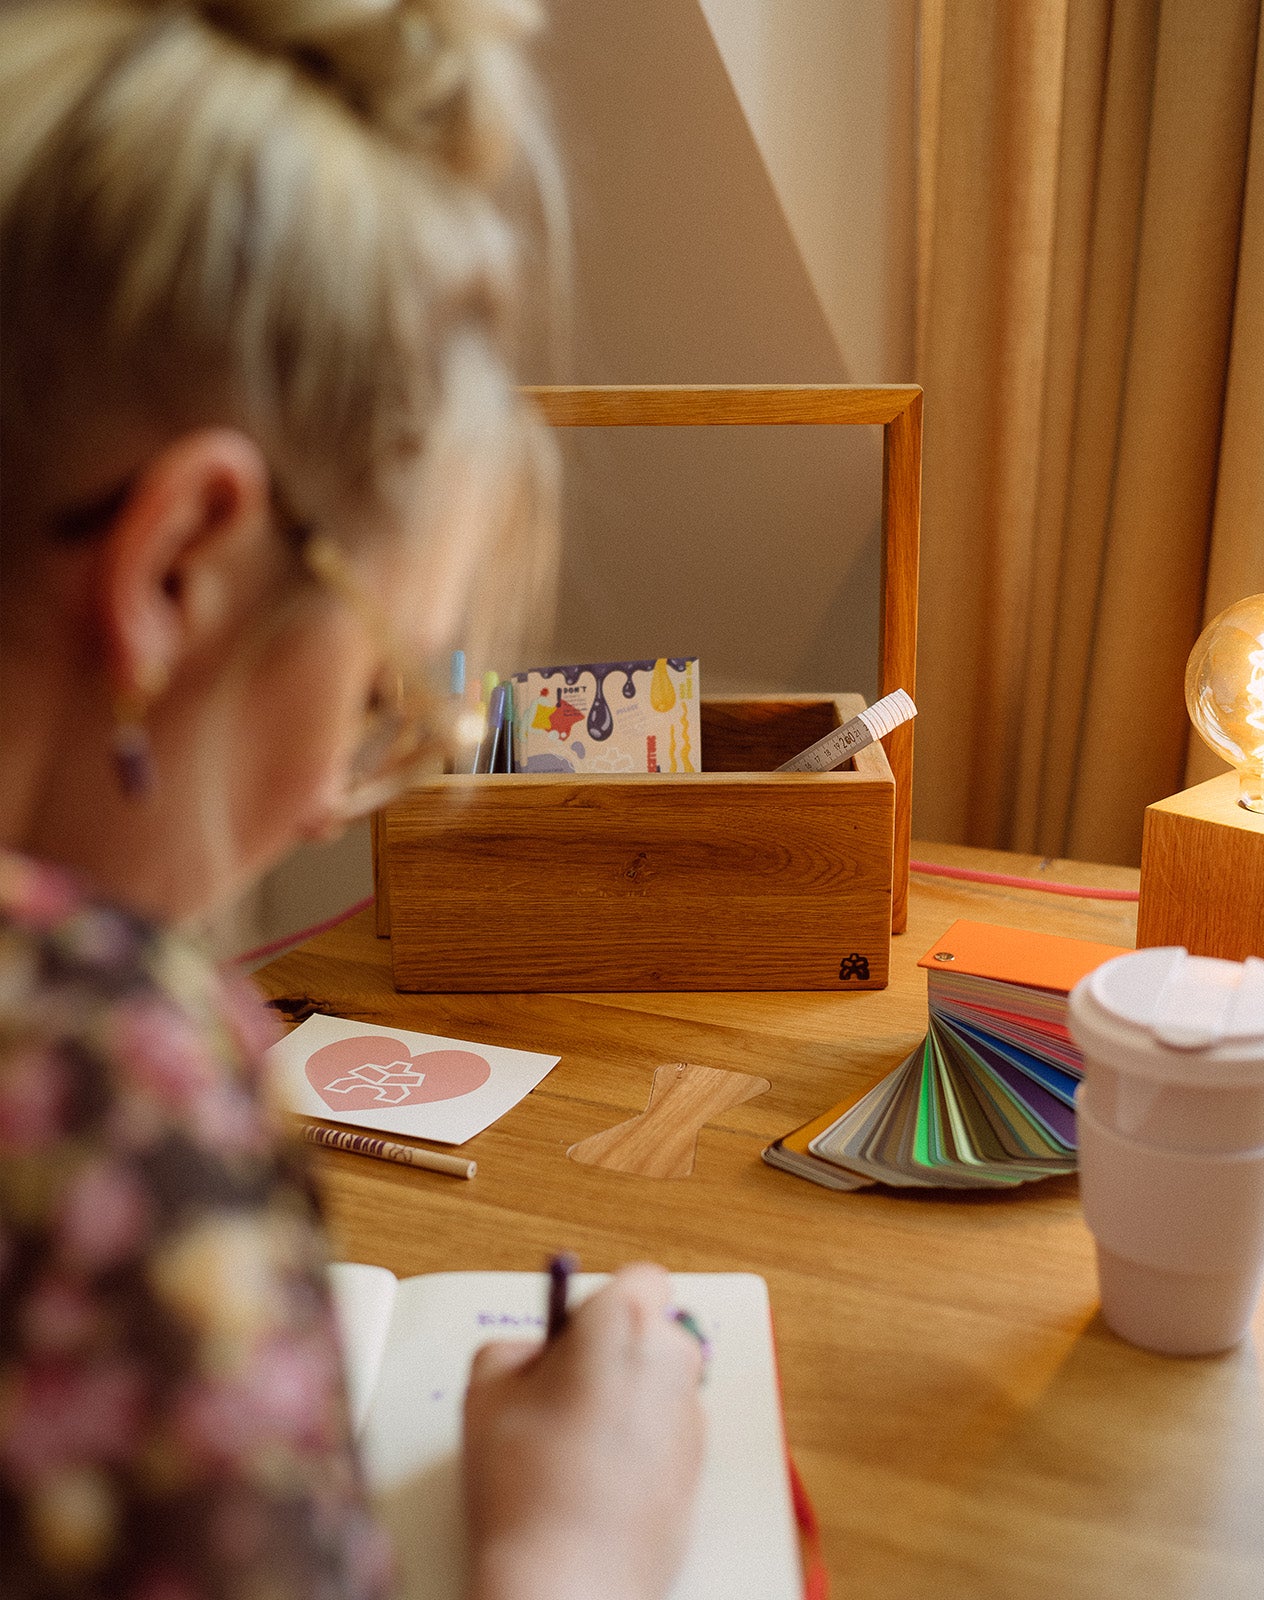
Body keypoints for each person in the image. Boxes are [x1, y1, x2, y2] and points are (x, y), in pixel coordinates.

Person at [0, 3, 705, 1598]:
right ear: (180, 559)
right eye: (382, 691)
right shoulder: (94, 1079)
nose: (331, 804)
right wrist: (580, 1544)